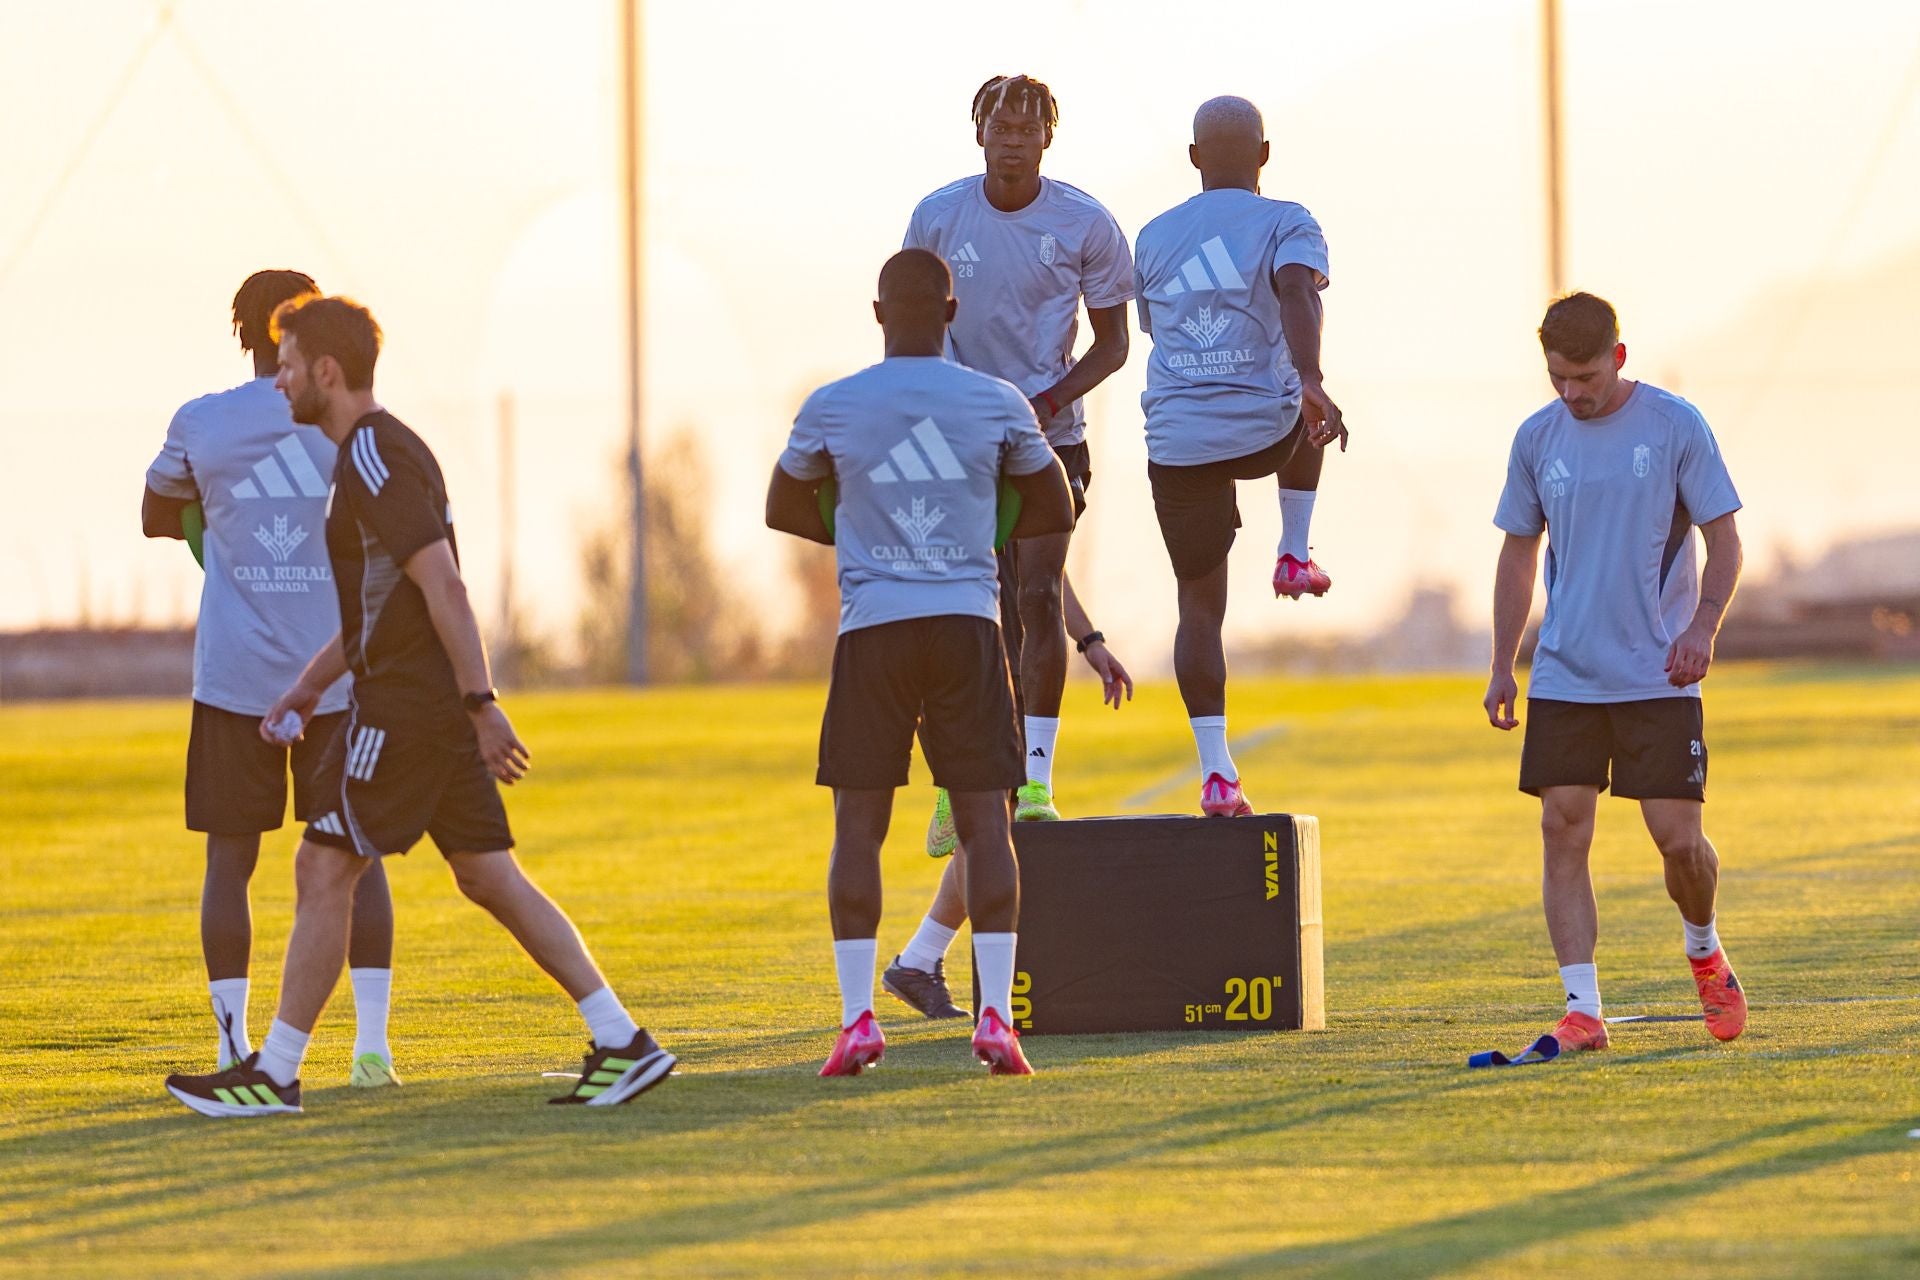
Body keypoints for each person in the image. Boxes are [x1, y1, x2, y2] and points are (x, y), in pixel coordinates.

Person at [164, 295, 673, 1115]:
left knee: (323, 865)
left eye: (288, 365)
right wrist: (308, 687)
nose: (279, 380)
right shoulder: (369, 454)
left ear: (326, 371)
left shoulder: (374, 457)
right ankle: (623, 1039)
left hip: (405, 712)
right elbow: (387, 604)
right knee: (488, 877)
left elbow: (444, 586)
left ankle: (275, 1073)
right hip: (423, 706)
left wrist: (481, 703)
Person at [765, 248, 1075, 1076]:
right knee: (986, 825)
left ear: (877, 314)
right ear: (951, 313)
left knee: (858, 830)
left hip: (874, 630)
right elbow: (1055, 503)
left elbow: (782, 504)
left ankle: (858, 1021)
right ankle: (997, 1019)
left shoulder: (833, 404)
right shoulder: (995, 401)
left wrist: (863, 531)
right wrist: (973, 530)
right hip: (967, 625)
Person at [142, 269, 399, 1086]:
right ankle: (371, 1050)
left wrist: (224, 530)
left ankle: (231, 1048)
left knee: (230, 861)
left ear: (241, 332)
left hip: (235, 674)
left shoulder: (202, 422)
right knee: (359, 858)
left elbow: (154, 514)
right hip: (339, 675)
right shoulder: (344, 423)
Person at [1486, 290, 1748, 1053]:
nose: (1572, 393)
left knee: (1679, 844)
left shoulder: (1675, 426)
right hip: (1565, 675)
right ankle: (1583, 1011)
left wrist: (1702, 628)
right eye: (1558, 378)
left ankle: (1703, 948)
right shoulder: (1537, 438)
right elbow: (1517, 553)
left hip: (1659, 675)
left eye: (1586, 378)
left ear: (1618, 358)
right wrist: (1503, 664)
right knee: (1561, 826)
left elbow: (1727, 542)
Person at [903, 73, 1133, 825]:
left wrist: (1049, 401)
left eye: (1026, 130)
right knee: (974, 613)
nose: (1012, 142)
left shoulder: (1085, 223)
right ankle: (963, 781)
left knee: (1037, 594)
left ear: (1047, 138)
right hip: (962, 442)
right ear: (979, 134)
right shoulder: (938, 216)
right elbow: (913, 325)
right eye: (1000, 128)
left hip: (1050, 440)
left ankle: (1035, 783)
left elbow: (1114, 345)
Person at [1133, 95, 1346, 817]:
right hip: (1264, 426)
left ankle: (1217, 773)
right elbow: (1297, 291)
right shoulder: (1287, 220)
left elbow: (1156, 328)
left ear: (1195, 159)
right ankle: (1293, 551)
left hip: (1178, 438)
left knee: (1199, 609)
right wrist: (1311, 379)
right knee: (1313, 411)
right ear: (1264, 154)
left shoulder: (1154, 235)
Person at [882, 578, 1132, 1020]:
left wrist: (1089, 639)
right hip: (966, 664)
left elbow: (1050, 574)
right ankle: (929, 965)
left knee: (998, 824)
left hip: (1011, 666)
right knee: (989, 822)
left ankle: (918, 961)